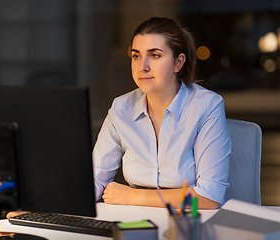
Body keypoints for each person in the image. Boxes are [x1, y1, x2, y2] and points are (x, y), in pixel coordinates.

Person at [93, 17, 231, 209]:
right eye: (136, 56)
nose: (143, 66)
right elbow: (95, 178)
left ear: (178, 62)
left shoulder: (207, 106)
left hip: (189, 222)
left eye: (155, 55)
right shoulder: (121, 108)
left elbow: (209, 197)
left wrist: (133, 196)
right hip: (136, 220)